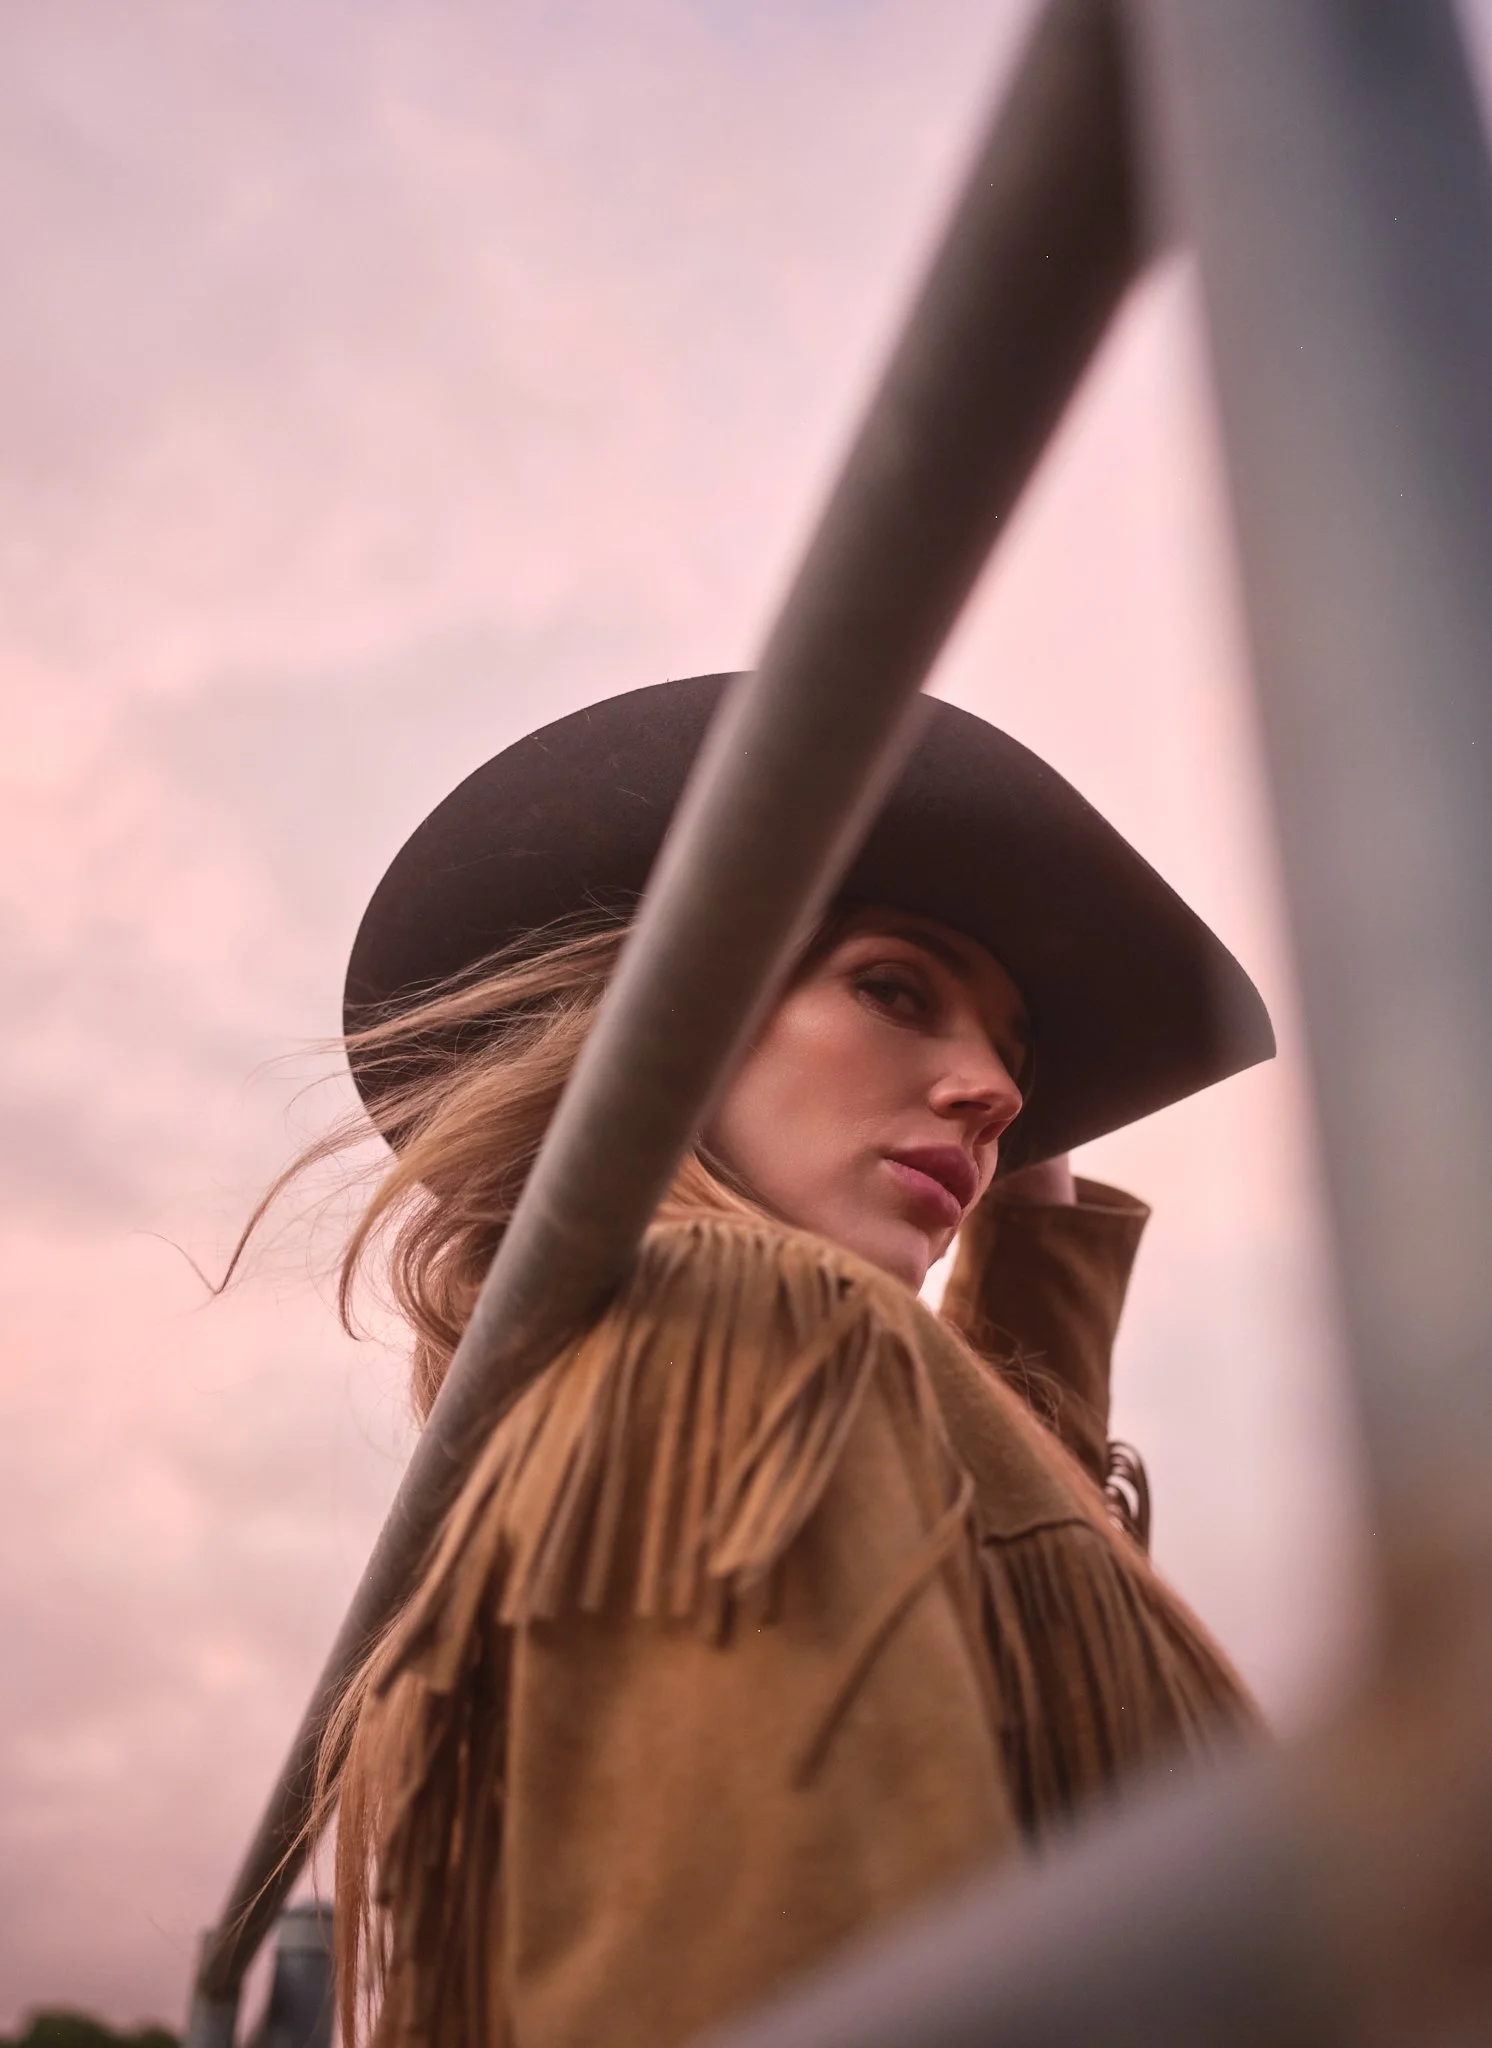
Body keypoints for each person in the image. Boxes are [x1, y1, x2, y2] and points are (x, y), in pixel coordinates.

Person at [269, 673, 1274, 2048]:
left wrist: (1020, 1194)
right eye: (893, 986)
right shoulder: (741, 1326)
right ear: (663, 1013)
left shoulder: (730, 1370)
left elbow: (1021, 1574)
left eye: (1015, 1054)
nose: (1002, 1093)